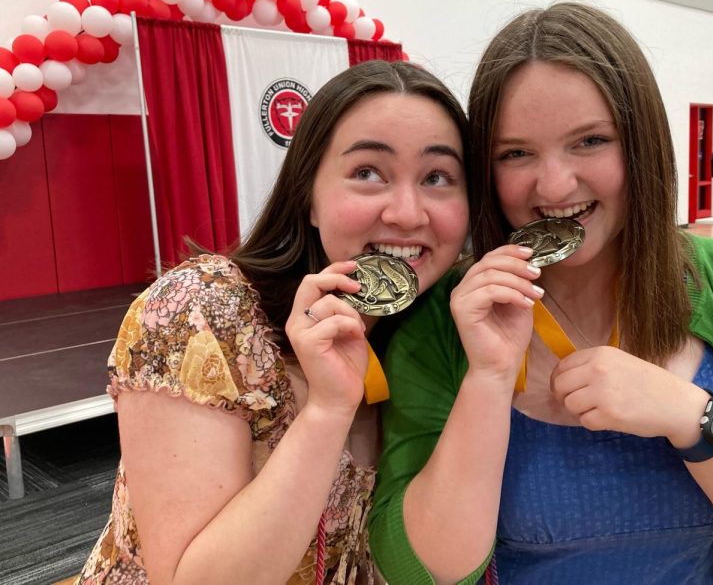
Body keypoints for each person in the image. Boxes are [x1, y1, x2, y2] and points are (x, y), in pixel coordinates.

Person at [369, 3, 713, 584]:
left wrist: (693, 415)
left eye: (590, 141)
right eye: (516, 153)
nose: (553, 185)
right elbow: (413, 570)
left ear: (642, 144)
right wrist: (488, 381)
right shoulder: (449, 315)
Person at [75, 60, 473, 585]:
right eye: (367, 173)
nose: (407, 212)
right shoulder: (207, 310)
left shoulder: (436, 330)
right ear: (308, 195)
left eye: (437, 177)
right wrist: (328, 410)